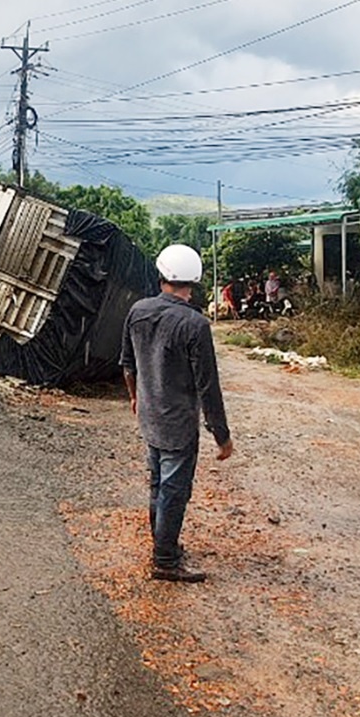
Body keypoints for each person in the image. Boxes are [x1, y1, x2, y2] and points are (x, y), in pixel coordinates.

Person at [120, 244, 234, 583]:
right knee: (173, 491)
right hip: (179, 425)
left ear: (161, 275)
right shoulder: (194, 324)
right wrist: (222, 435)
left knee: (158, 483)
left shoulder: (137, 311)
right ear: (193, 281)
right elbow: (208, 387)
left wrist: (134, 399)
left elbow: (127, 364)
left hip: (150, 415)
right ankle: (165, 560)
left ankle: (163, 545)